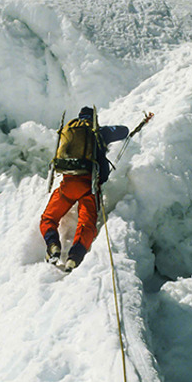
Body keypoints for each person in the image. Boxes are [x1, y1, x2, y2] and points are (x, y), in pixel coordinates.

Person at [39, 106, 128, 271]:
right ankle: (75, 256)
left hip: (68, 183)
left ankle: (52, 244)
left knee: (48, 218)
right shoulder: (98, 132)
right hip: (90, 186)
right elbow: (124, 131)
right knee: (86, 224)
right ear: (94, 119)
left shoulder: (69, 132)